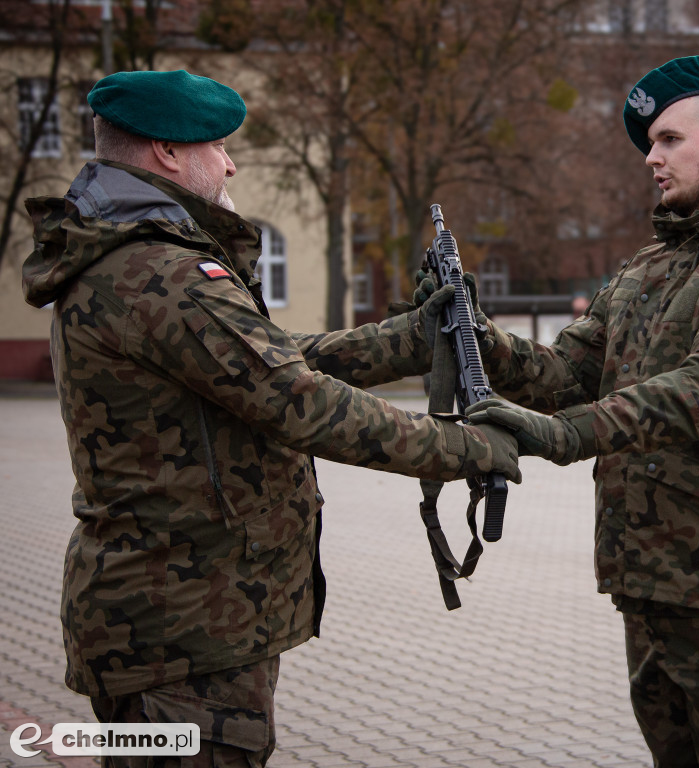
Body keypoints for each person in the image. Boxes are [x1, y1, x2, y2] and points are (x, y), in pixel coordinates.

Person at [21, 70, 520, 768]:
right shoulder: (161, 272)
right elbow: (300, 401)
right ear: (167, 151)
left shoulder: (132, 254)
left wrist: (405, 342)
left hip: (178, 622)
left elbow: (266, 363)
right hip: (185, 635)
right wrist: (468, 448)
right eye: (219, 146)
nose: (230, 163)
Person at [424, 56, 699, 766]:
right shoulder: (647, 269)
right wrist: (471, 330)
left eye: (670, 139)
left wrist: (562, 436)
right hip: (652, 587)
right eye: (652, 142)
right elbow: (562, 373)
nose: (652, 157)